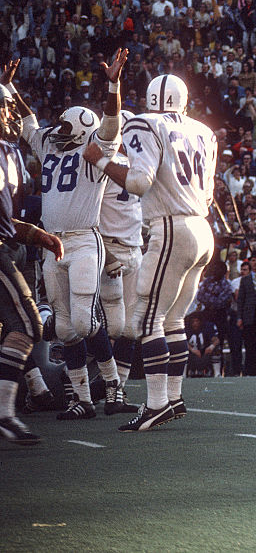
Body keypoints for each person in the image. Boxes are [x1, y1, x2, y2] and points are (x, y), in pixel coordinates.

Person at [84, 72, 220, 430]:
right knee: (172, 318)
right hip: (203, 230)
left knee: (146, 319)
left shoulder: (146, 123)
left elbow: (138, 183)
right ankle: (173, 399)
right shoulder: (204, 131)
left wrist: (99, 160)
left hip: (172, 227)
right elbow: (208, 195)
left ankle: (157, 403)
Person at [17, 49, 126, 419]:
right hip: (53, 243)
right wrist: (8, 89)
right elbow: (28, 123)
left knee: (83, 321)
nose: (60, 132)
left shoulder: (94, 150)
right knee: (64, 328)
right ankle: (83, 399)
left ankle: (113, 387)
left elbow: (112, 124)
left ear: (81, 130)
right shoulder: (50, 143)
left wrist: (113, 84)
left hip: (83, 240)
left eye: (67, 128)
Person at [0, 64, 64, 445]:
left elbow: (10, 222)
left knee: (15, 329)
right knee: (28, 325)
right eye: (4, 110)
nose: (9, 117)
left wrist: (39, 235)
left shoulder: (9, 153)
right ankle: (5, 414)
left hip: (8, 244)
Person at [97, 108, 144, 411]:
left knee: (131, 328)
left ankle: (118, 390)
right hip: (110, 248)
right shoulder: (104, 167)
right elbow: (86, 213)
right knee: (109, 326)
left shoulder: (135, 165)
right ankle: (105, 382)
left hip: (134, 248)